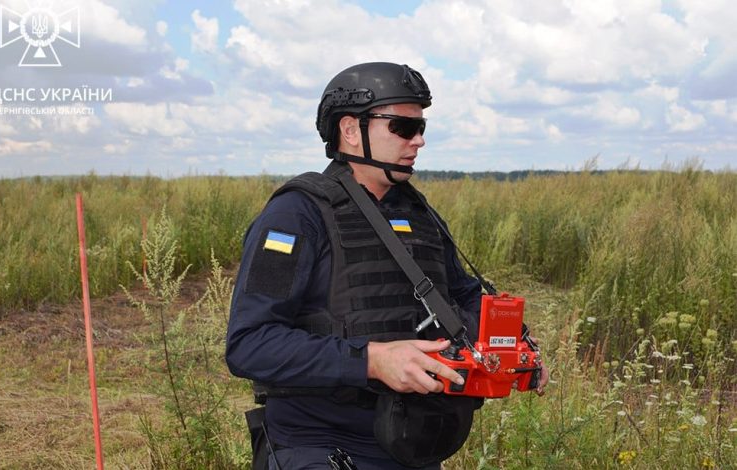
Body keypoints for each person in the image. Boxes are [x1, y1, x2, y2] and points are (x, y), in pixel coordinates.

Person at [226, 62, 549, 470]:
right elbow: (250, 344)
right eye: (403, 127)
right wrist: (372, 360)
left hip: (413, 445)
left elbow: (464, 297)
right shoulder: (296, 214)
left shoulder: (418, 213)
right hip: (322, 446)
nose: (418, 141)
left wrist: (515, 345)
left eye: (421, 127)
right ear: (350, 129)